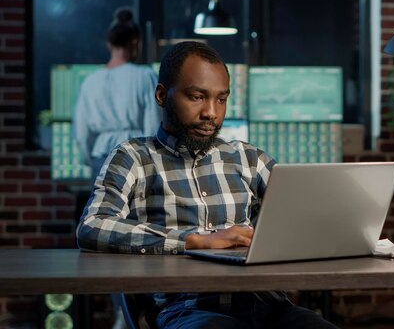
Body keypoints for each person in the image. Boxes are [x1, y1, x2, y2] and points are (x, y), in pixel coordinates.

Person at [76, 41, 338, 329]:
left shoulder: (249, 158)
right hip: (185, 309)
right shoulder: (133, 157)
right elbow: (93, 226)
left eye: (221, 99)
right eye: (197, 97)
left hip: (266, 303)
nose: (211, 113)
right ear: (162, 95)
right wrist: (193, 240)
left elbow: (306, 218)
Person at [73, 7, 161, 183]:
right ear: (135, 42)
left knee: (103, 209)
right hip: (135, 156)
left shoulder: (90, 82)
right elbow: (154, 125)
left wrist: (89, 159)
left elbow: (81, 133)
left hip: (101, 157)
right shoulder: (145, 76)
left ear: (109, 44)